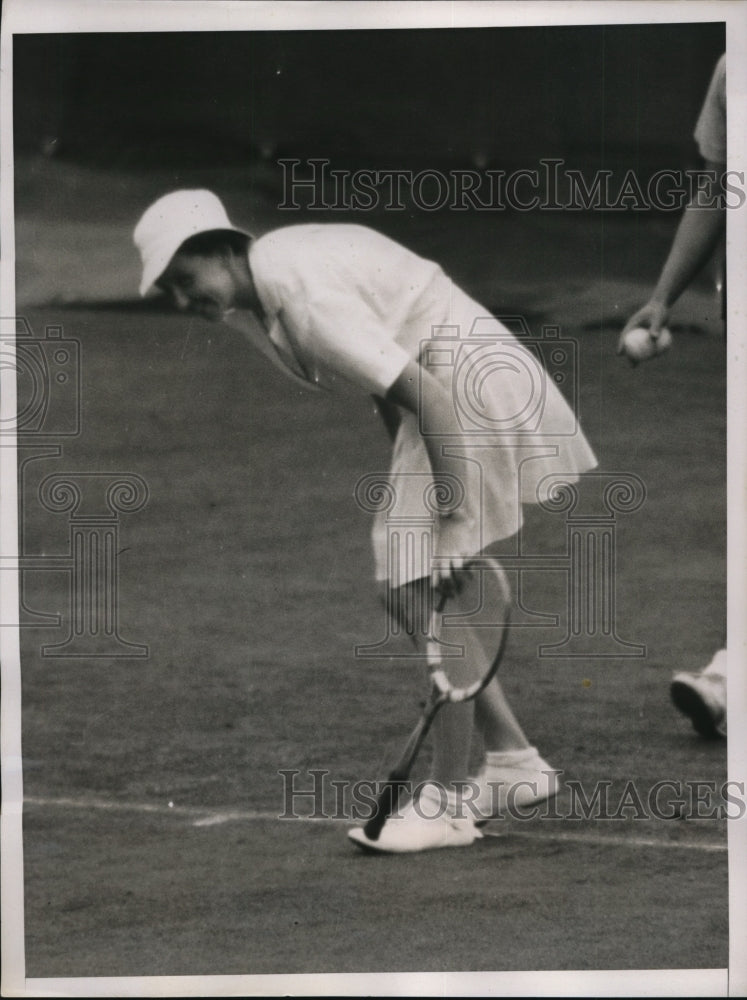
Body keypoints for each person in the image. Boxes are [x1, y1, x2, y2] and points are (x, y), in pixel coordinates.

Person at [133, 190, 598, 851]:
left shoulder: (302, 296)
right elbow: (390, 383)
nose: (183, 303)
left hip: (465, 391)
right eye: (170, 293)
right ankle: (513, 763)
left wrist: (455, 519)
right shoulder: (277, 275)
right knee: (413, 578)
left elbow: (428, 394)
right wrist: (421, 493)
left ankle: (444, 803)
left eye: (184, 280)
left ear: (220, 250)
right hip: (457, 390)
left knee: (407, 584)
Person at [619, 53, 726, 739]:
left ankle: (727, 678)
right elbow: (719, 186)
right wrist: (662, 297)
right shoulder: (733, 67)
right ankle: (728, 678)